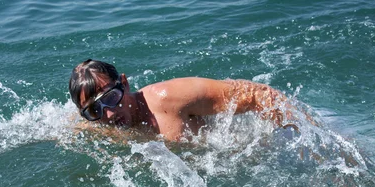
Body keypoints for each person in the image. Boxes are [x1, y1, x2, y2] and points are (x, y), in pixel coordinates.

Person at [69, 59, 298, 141]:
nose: (108, 114)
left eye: (111, 98)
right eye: (94, 110)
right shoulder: (101, 125)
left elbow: (260, 95)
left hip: (270, 147)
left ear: (125, 84)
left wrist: (306, 137)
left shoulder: (169, 98)